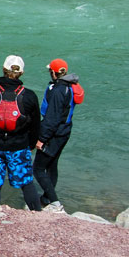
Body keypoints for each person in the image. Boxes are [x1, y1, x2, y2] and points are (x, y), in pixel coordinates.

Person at [0, 55, 42, 211]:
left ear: (4, 69)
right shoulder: (30, 96)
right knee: (26, 182)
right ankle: (37, 213)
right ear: (21, 73)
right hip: (19, 146)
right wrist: (30, 144)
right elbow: (35, 125)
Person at [35, 58, 84, 213]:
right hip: (64, 131)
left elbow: (52, 119)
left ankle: (55, 203)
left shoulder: (57, 91)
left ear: (54, 73)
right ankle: (46, 199)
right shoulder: (68, 86)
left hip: (54, 134)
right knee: (52, 165)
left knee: (37, 169)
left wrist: (41, 139)